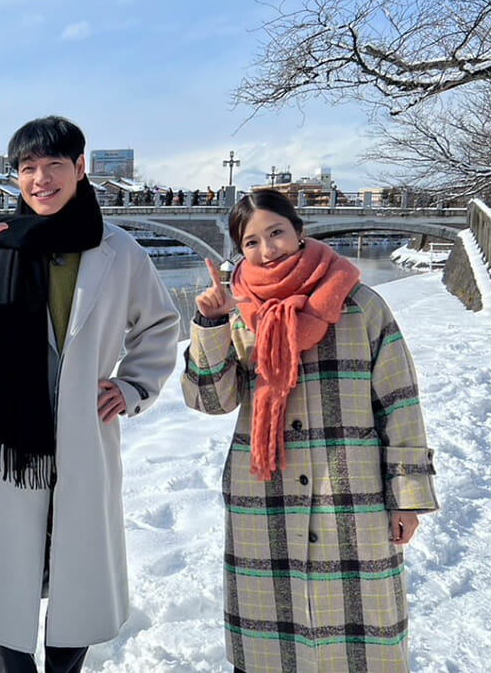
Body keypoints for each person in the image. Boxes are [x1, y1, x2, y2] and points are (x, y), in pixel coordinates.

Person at [0, 116, 180, 673]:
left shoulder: (119, 249)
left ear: (80, 168)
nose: (40, 178)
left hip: (83, 432)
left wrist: (133, 385)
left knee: (76, 582)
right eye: (27, 168)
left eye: (53, 165)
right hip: (9, 434)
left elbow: (159, 326)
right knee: (7, 585)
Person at [182, 189, 438, 673]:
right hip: (265, 497)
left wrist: (406, 495)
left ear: (299, 231)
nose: (266, 249)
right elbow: (210, 400)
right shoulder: (239, 312)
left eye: (275, 233)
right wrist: (209, 325)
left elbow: (400, 402)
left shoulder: (361, 305)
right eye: (251, 241)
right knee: (269, 644)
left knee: (361, 640)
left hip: (348, 491)